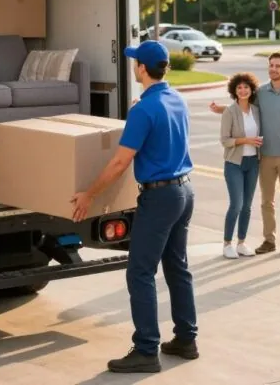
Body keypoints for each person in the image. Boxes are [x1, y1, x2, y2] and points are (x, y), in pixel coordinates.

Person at [70, 40, 198, 374]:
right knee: (176, 266)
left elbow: (119, 164)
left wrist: (89, 195)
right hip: (184, 191)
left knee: (140, 271)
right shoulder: (176, 100)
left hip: (160, 198)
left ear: (141, 68)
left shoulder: (143, 109)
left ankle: (145, 349)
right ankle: (186, 338)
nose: (133, 66)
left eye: (134, 62)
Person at [210, 52, 280, 257]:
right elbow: (242, 106)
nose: (273, 69)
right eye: (271, 65)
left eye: (278, 66)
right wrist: (221, 109)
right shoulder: (260, 92)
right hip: (265, 156)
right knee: (265, 202)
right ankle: (268, 240)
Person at [219, 72, 263, 259]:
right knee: (236, 204)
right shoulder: (230, 111)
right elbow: (225, 140)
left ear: (251, 89)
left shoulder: (256, 110)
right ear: (234, 91)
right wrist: (245, 140)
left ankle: (242, 243)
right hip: (234, 163)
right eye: (239, 87)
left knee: (247, 205)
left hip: (253, 162)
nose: (243, 90)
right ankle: (227, 243)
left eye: (246, 87)